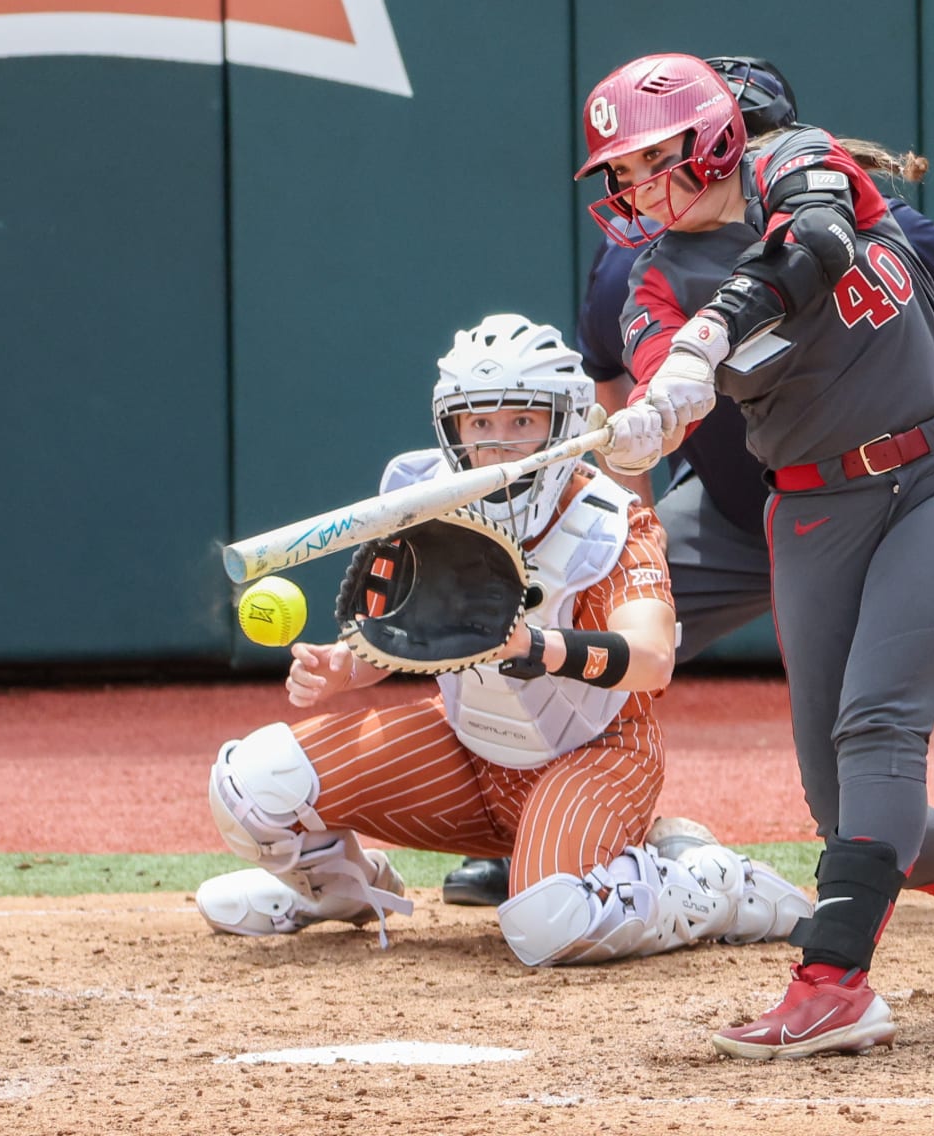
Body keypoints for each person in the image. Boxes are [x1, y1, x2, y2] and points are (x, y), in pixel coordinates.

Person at [448, 56, 934, 926]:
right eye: (633, 167)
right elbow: (617, 387)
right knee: (586, 612)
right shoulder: (638, 268)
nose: (655, 185)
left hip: (916, 484)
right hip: (752, 508)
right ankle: (515, 813)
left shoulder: (856, 212)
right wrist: (630, 517)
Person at [575, 52, 934, 1059]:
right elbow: (663, 376)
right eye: (615, 171)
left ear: (707, 139)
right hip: (816, 513)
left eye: (646, 159)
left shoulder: (798, 159)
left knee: (878, 726)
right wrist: (651, 418)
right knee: (846, 804)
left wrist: (711, 338)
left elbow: (818, 244)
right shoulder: (651, 286)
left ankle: (833, 981)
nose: (628, 188)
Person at [193, 313, 811, 967]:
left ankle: (702, 881)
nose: (498, 444)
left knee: (546, 927)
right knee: (249, 786)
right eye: (479, 424)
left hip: (596, 754)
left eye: (522, 422)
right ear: (452, 427)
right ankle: (334, 889)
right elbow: (403, 631)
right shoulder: (420, 496)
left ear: (566, 420)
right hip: (467, 745)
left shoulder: (611, 520)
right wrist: (346, 667)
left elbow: (653, 662)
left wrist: (537, 647)